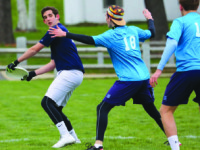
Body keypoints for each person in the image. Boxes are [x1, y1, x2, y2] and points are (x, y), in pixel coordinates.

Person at [49, 5, 165, 150]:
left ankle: (98, 146)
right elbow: (152, 33)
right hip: (143, 78)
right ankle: (172, 138)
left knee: (102, 108)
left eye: (106, 17)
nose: (105, 19)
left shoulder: (111, 36)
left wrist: (66, 34)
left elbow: (89, 40)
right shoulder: (133, 30)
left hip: (128, 80)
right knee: (151, 110)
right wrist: (150, 19)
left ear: (110, 18)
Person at [6, 6, 84, 148]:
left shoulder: (54, 31)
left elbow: (34, 49)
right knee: (56, 108)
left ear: (57, 16)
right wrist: (32, 74)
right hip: (76, 74)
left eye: (50, 15)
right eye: (45, 17)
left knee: (46, 103)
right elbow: (53, 64)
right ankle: (74, 138)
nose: (47, 18)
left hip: (69, 72)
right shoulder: (60, 32)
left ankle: (65, 136)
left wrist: (16, 62)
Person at [150, 0, 200, 150]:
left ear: (180, 6)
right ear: (197, 6)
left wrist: (159, 70)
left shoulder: (180, 21)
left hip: (186, 72)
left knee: (166, 111)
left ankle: (175, 148)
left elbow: (171, 44)